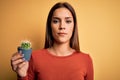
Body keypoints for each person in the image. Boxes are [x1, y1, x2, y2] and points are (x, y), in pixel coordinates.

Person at [11, 2, 94, 80]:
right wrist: (22, 76)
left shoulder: (86, 60)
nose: (62, 26)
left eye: (68, 21)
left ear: (74, 26)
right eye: (56, 21)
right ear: (50, 26)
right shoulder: (35, 57)